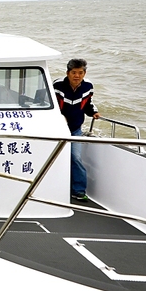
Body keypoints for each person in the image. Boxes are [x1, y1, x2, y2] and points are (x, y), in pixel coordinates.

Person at [54, 58, 101, 201]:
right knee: (55, 159)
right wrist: (60, 117)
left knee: (76, 157)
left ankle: (78, 190)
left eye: (80, 73)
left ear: (84, 73)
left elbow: (88, 103)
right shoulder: (57, 86)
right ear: (67, 73)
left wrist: (93, 112)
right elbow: (49, 104)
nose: (77, 76)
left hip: (75, 130)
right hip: (57, 130)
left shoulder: (88, 87)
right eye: (74, 72)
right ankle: (53, 188)